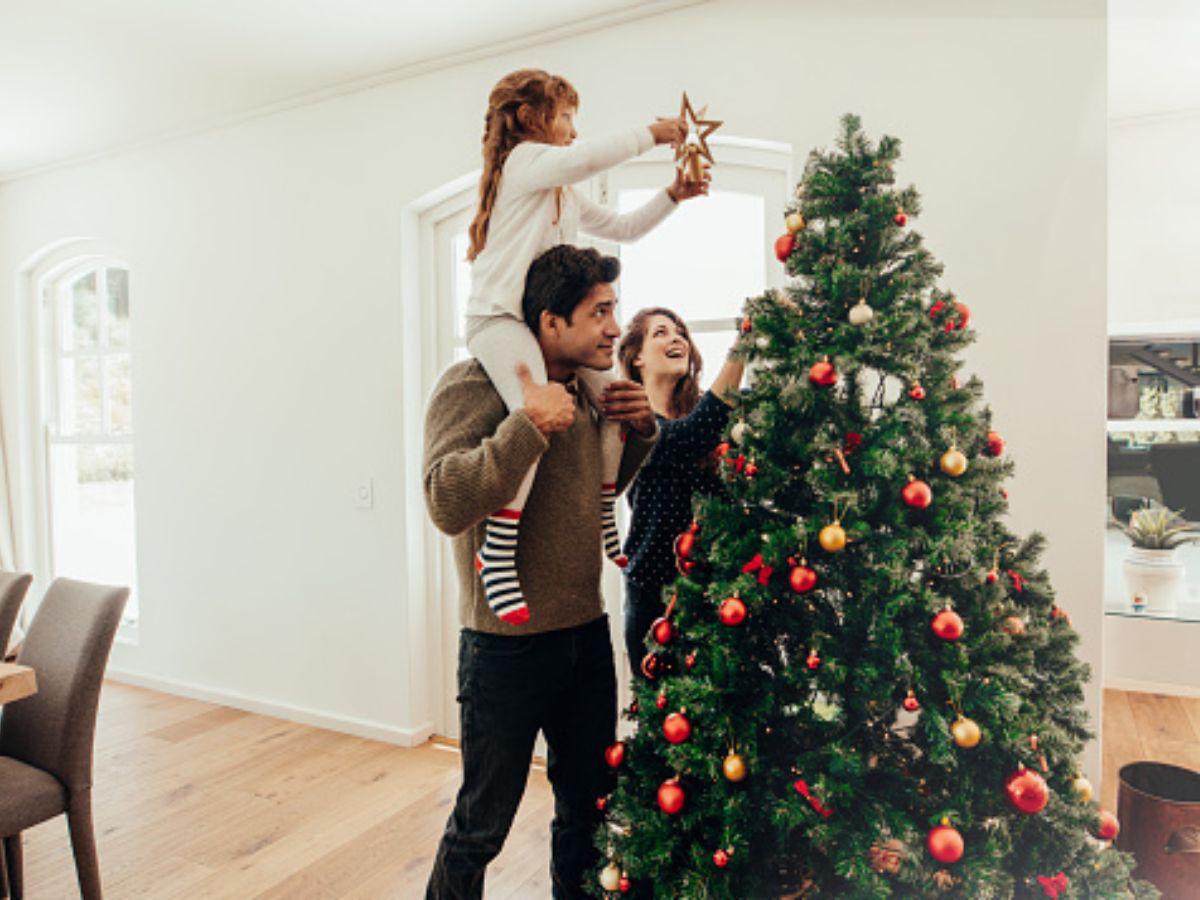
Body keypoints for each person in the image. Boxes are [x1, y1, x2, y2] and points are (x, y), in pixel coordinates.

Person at [424, 245, 658, 899]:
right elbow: (446, 500)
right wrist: (525, 425)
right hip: (503, 650)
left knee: (588, 810)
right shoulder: (472, 386)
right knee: (482, 825)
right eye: (600, 312)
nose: (617, 326)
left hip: (585, 638)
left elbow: (589, 497)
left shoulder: (591, 395)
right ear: (550, 322)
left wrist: (639, 433)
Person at [465, 67, 708, 625]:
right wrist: (654, 133)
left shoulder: (563, 194)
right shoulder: (523, 163)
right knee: (540, 410)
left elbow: (623, 228)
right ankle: (498, 548)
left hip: (539, 324)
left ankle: (605, 514)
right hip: (499, 320)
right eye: (567, 117)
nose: (574, 131)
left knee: (617, 401)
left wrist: (673, 194)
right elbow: (584, 158)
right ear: (532, 119)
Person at [616, 307, 745, 676]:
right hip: (655, 597)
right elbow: (689, 436)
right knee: (663, 721)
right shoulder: (632, 422)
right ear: (636, 356)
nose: (676, 339)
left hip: (719, 590)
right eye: (660, 333)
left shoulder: (714, 414)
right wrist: (744, 343)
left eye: (681, 333)